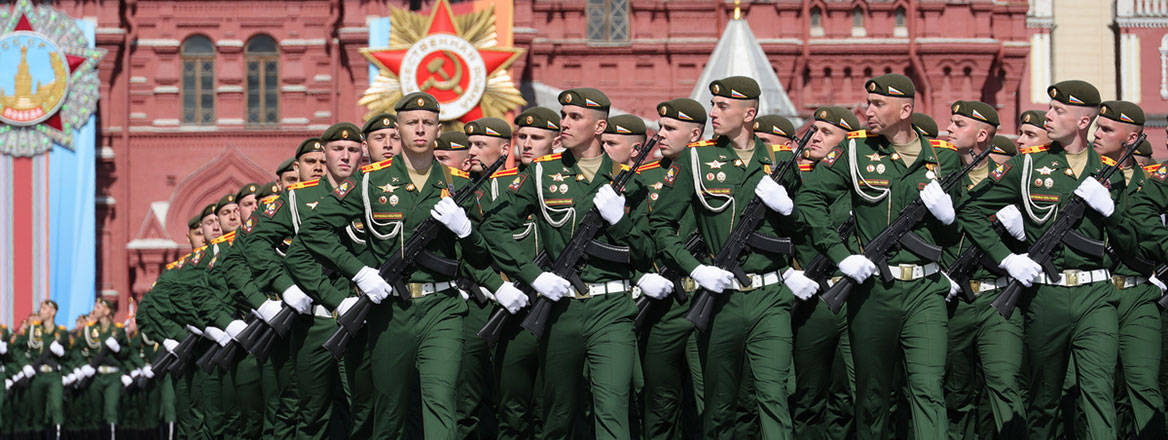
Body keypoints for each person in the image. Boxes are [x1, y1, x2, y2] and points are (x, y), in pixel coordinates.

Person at [295, 92, 494, 438]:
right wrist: (359, 272)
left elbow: (481, 257)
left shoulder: (457, 184)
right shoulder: (370, 182)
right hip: (390, 313)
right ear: (399, 129)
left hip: (442, 308)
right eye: (412, 123)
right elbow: (314, 231)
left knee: (441, 399)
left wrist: (466, 231)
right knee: (389, 411)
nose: (420, 130)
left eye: (428, 124)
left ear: (438, 129)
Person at [795, 73, 962, 439]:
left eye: (878, 104)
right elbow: (811, 199)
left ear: (905, 109)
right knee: (873, 398)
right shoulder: (855, 150)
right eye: (867, 103)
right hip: (873, 292)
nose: (867, 111)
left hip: (925, 290)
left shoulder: (944, 158)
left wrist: (948, 217)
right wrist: (841, 255)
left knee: (928, 389)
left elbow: (956, 231)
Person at [960, 80, 1129, 439]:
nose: (1048, 116)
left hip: (1096, 294)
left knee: (1098, 392)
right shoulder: (1028, 164)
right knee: (1044, 399)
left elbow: (1133, 241)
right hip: (1045, 297)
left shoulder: (1108, 169)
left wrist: (1111, 212)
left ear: (1083, 121)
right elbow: (972, 210)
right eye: (1050, 109)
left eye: (1058, 111)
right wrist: (1007, 259)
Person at [481, 87, 651, 439]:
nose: (565, 123)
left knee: (612, 408)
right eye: (564, 116)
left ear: (600, 126)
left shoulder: (629, 182)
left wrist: (620, 221)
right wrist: (533, 275)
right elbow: (494, 226)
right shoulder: (542, 174)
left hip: (612, 309)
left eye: (576, 117)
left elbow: (647, 252)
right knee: (557, 414)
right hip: (562, 310)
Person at [650, 76, 806, 439]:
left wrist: (788, 208)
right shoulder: (697, 158)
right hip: (722, 299)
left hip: (771, 297)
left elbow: (802, 229)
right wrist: (696, 269)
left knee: (772, 396)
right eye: (713, 104)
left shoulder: (779, 159)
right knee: (719, 406)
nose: (713, 113)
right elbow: (661, 224)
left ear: (749, 113)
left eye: (723, 106)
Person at [938, 100, 1027, 438]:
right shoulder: (940, 174)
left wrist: (1023, 234)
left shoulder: (1010, 178)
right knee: (955, 392)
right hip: (952, 300)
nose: (949, 128)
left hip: (997, 298)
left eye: (958, 123)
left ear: (982, 134)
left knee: (1004, 385)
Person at [633, 97, 709, 439]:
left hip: (708, 300)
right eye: (660, 127)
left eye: (670, 129)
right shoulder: (644, 178)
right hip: (662, 303)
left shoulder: (715, 169)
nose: (660, 134)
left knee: (709, 400)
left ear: (694, 134)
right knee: (660, 401)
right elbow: (631, 238)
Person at [1092, 101, 1166, 438]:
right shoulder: (1085, 176)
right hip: (1096, 293)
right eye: (1097, 126)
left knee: (1142, 386)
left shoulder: (1149, 183)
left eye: (1106, 129)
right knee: (1093, 390)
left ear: (1132, 137)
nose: (1096, 134)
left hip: (1137, 291)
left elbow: (1152, 241)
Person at [790, 106, 860, 439]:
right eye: (814, 129)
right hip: (812, 297)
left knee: (849, 395)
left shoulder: (862, 187)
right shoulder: (794, 178)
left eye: (826, 132)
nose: (815, 137)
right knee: (808, 395)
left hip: (852, 297)